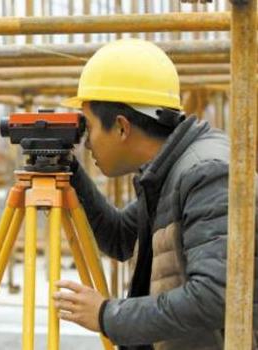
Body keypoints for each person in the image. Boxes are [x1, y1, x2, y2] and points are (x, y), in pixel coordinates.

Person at [52, 39, 258, 349]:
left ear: (122, 127)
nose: (87, 142)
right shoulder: (171, 168)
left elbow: (215, 296)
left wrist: (107, 315)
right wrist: (69, 171)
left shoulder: (206, 172)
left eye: (89, 126)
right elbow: (122, 238)